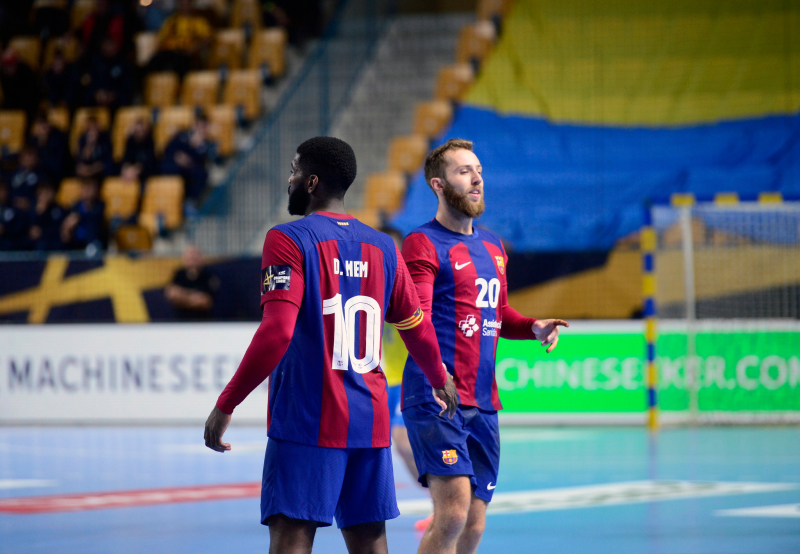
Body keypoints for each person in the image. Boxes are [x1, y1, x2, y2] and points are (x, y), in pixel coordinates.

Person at [203, 136, 458, 554]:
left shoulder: (288, 239)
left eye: (293, 171)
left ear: (312, 181)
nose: (289, 180)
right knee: (369, 541)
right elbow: (415, 324)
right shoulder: (384, 247)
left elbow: (277, 332)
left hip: (307, 417)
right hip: (370, 421)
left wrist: (226, 403)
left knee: (293, 538)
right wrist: (438, 376)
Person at [401, 139, 569, 554]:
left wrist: (533, 326)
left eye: (478, 170)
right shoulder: (422, 244)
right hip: (438, 395)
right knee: (453, 514)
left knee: (474, 525)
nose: (477, 178)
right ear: (438, 185)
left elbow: (499, 312)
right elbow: (415, 317)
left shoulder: (493, 246)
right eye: (464, 171)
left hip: (484, 401)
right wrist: (438, 376)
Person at [380, 226, 434, 532]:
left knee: (404, 443)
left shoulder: (411, 284)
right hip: (388, 380)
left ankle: (444, 502)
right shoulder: (375, 281)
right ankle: (440, 501)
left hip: (411, 378)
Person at [147, 0, 212, 77]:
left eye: (187, 4)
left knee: (180, 62)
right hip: (170, 52)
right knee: (153, 62)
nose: (184, 7)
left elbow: (208, 39)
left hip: (187, 53)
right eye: (182, 4)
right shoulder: (172, 20)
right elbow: (162, 37)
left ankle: (180, 86)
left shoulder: (198, 21)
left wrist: (194, 48)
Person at [160, 114, 212, 202]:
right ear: (194, 125)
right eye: (198, 125)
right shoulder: (182, 135)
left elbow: (201, 160)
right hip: (174, 164)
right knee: (167, 168)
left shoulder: (205, 144)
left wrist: (194, 146)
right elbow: (168, 148)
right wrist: (177, 156)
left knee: (200, 174)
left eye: (203, 127)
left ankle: (190, 202)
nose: (200, 129)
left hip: (190, 167)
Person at [164, 245, 219, 320]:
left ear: (201, 258)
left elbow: (205, 302)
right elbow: (172, 294)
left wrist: (181, 298)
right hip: (181, 322)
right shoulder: (179, 274)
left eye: (194, 256)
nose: (192, 259)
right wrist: (194, 297)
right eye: (189, 256)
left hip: (203, 323)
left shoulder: (208, 275)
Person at [61, 178, 106, 252]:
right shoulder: (74, 207)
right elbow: (66, 233)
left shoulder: (100, 206)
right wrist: (66, 228)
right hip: (76, 245)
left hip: (95, 244)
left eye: (90, 188)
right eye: (85, 188)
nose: (87, 192)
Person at [28, 182, 66, 251]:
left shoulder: (60, 210)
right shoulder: (32, 211)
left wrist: (43, 232)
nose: (45, 196)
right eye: (42, 193)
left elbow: (60, 230)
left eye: (48, 192)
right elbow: (32, 232)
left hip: (56, 246)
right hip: (39, 247)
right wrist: (40, 212)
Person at [8, 147, 46, 213]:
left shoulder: (41, 175)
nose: (28, 160)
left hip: (32, 208)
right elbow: (7, 190)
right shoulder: (14, 174)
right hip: (13, 207)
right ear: (21, 159)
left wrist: (29, 201)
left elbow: (43, 193)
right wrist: (16, 201)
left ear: (36, 159)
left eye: (31, 157)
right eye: (26, 158)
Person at [121, 118, 157, 185]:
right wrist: (125, 169)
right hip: (131, 170)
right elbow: (126, 158)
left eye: (141, 131)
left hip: (147, 172)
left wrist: (135, 170)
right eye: (137, 131)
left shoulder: (150, 141)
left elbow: (149, 161)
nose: (139, 133)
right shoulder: (130, 141)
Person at [0, 180, 29, 251]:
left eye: (2, 190)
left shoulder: (15, 208)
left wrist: (5, 229)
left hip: (11, 245)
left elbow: (20, 227)